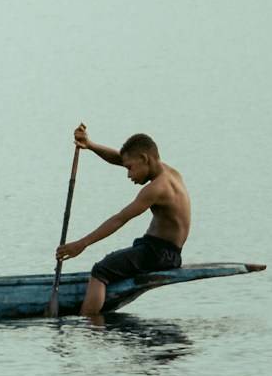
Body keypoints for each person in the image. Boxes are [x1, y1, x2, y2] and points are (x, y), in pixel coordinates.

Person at [57, 124, 191, 320]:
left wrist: (81, 244)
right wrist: (90, 145)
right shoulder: (169, 172)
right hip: (163, 251)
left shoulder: (156, 188)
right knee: (115, 263)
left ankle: (91, 327)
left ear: (145, 159)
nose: (128, 174)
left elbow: (120, 219)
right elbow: (119, 158)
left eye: (130, 169)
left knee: (100, 270)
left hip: (159, 254)